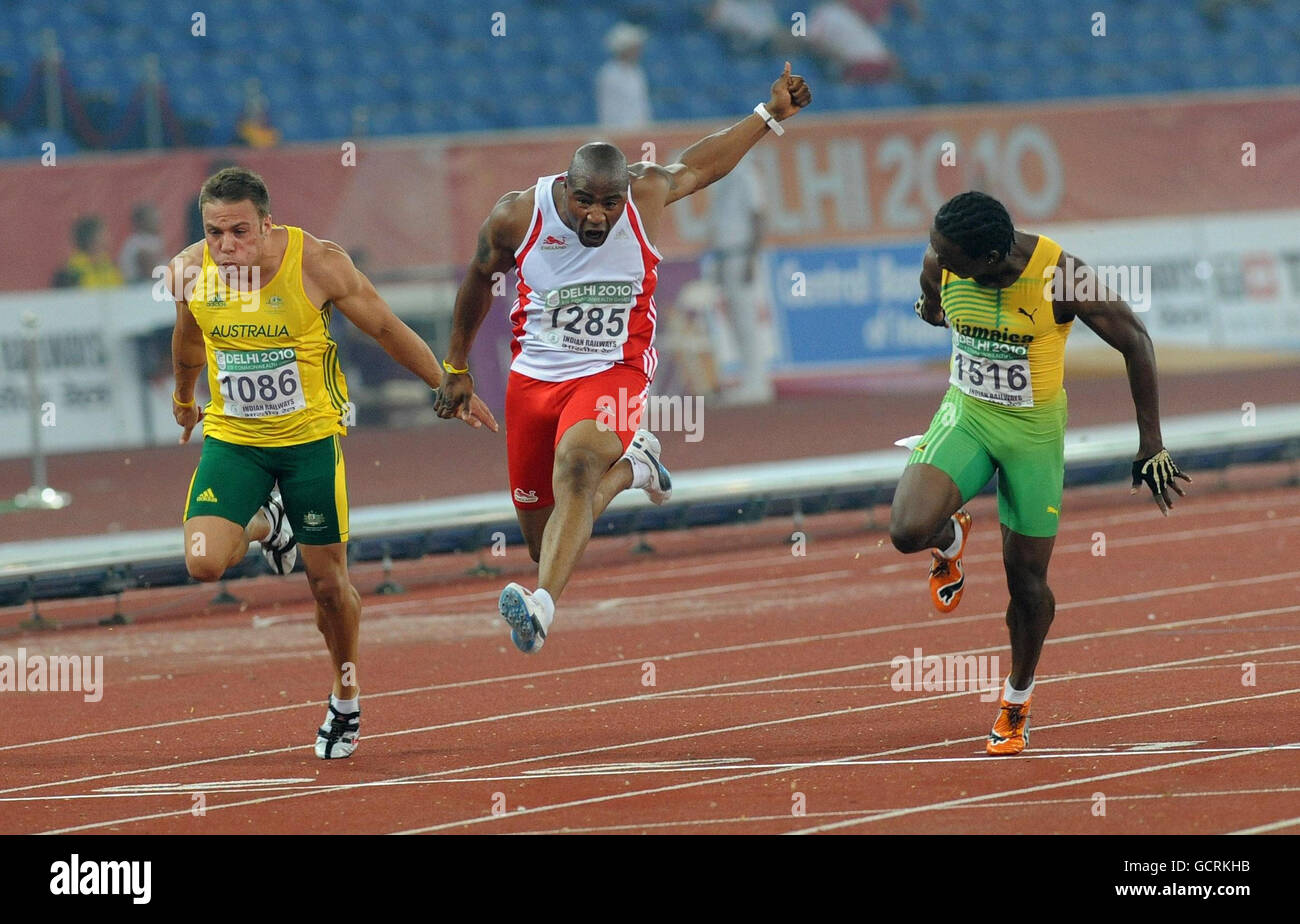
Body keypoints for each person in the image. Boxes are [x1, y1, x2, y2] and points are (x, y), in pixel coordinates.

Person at [436, 64, 812, 654]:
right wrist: (456, 366)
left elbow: (702, 165)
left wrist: (768, 117)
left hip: (615, 370)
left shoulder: (646, 195)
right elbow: (480, 278)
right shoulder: (518, 215)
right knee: (545, 538)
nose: (597, 216)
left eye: (609, 205)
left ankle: (541, 609)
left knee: (578, 468)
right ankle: (637, 467)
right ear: (566, 187)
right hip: (533, 380)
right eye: (585, 202)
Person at [167, 167, 497, 758]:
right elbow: (189, 338)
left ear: (267, 224)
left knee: (326, 585)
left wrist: (447, 380)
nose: (227, 246)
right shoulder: (191, 269)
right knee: (202, 564)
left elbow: (386, 327)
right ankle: (270, 520)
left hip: (309, 440)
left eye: (240, 231)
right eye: (215, 232)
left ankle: (345, 698)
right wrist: (183, 397)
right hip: (234, 438)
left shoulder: (318, 263)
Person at [891, 190, 1191, 756]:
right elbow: (933, 306)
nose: (937, 260)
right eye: (937, 250)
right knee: (907, 530)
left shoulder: (1061, 276)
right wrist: (932, 309)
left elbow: (1137, 342)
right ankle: (950, 536)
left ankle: (1016, 701)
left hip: (1033, 435)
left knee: (1026, 582)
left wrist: (1150, 442)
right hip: (968, 414)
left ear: (989, 259)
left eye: (951, 257)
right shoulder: (940, 264)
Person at [595, 23, 653, 130]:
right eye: (634, 47)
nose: (638, 51)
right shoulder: (609, 73)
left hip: (639, 130)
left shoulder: (637, 72)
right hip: (619, 130)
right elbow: (609, 108)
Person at [52, 215, 124, 288]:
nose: (108, 238)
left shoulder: (111, 267)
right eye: (102, 235)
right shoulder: (70, 272)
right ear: (90, 239)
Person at [118, 203, 165, 283]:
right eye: (153, 218)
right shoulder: (136, 243)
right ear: (142, 221)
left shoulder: (154, 240)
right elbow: (150, 272)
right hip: (137, 287)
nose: (157, 221)